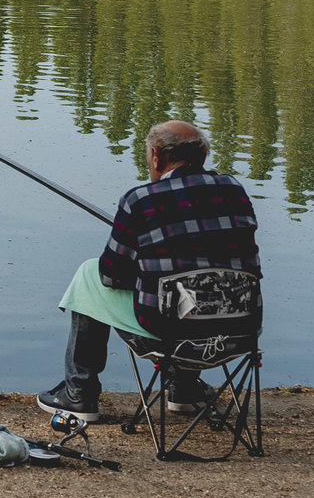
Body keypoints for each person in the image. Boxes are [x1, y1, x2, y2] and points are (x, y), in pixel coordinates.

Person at [37, 119, 258, 420]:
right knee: (198, 288)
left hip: (168, 338)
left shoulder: (140, 200)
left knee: (90, 274)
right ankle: (184, 391)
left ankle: (79, 394)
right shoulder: (235, 190)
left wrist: (142, 265)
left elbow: (110, 276)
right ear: (202, 157)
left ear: (157, 156)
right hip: (239, 334)